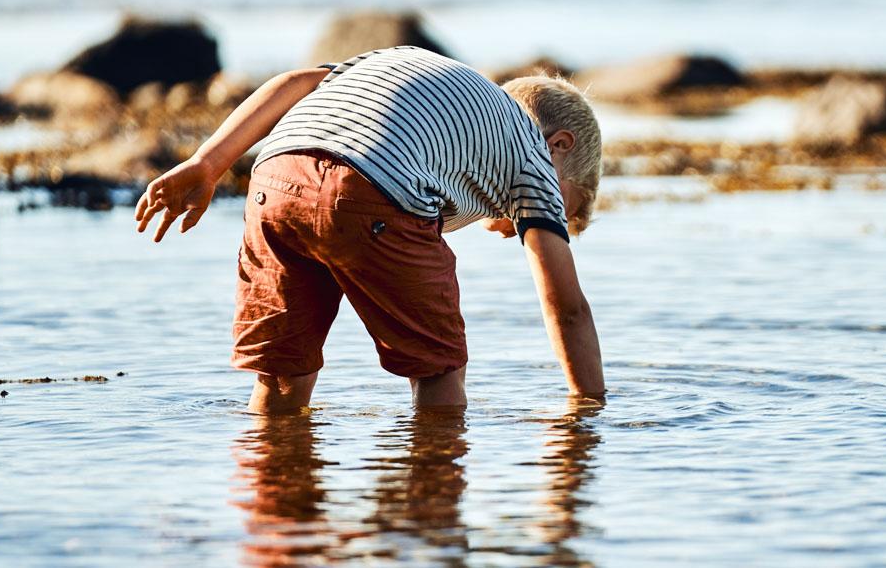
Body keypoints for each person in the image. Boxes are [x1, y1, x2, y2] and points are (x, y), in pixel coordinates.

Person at [133, 46, 605, 414]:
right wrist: (589, 409)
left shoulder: (422, 75)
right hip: (373, 189)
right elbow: (566, 309)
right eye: (568, 209)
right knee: (439, 369)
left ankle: (278, 519)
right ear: (559, 146)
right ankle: (429, 516)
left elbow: (294, 82)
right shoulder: (532, 156)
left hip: (275, 177)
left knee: (281, 373)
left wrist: (207, 163)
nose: (549, 222)